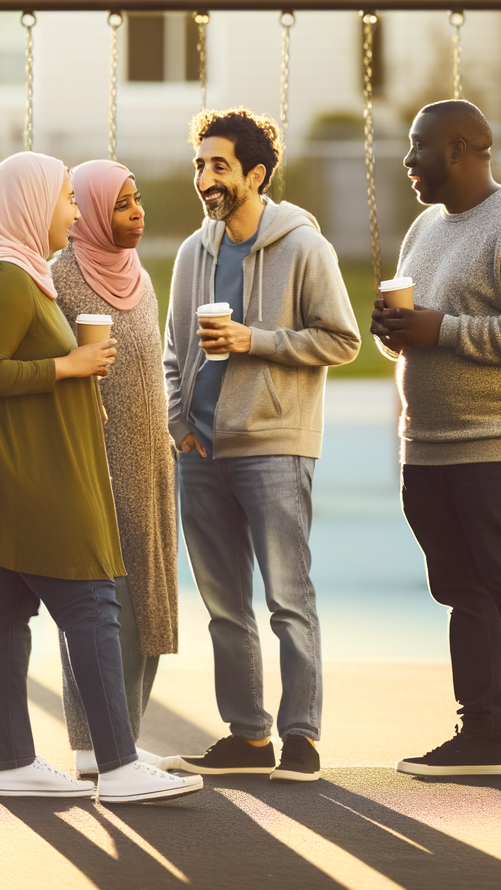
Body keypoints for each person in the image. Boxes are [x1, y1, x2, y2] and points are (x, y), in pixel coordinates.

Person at [0, 151, 201, 804]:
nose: (75, 211)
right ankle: (117, 766)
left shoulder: (14, 271)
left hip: (16, 475)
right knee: (93, 603)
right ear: (29, 205)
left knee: (6, 612)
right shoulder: (3, 276)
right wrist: (69, 368)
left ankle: (15, 763)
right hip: (33, 480)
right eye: (66, 199)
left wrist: (73, 371)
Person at [373, 100, 501, 784]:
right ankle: (484, 730)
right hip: (427, 444)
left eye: (420, 147)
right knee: (463, 591)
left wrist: (443, 331)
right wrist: (395, 332)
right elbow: (419, 330)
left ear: (463, 149)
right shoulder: (426, 227)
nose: (408, 161)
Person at [162, 108, 360, 782]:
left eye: (219, 166)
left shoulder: (305, 248)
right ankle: (248, 738)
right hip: (202, 453)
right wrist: (177, 425)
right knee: (224, 606)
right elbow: (171, 354)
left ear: (255, 173)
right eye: (199, 165)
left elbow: (341, 339)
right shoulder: (195, 253)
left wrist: (256, 340)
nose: (205, 178)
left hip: (275, 446)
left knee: (287, 600)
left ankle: (300, 737)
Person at [50, 160, 179, 778]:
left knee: (148, 598)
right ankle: (93, 742)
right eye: (123, 204)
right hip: (94, 458)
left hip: (150, 459)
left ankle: (122, 736)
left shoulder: (139, 277)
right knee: (101, 601)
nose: (137, 213)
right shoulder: (60, 276)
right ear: (96, 211)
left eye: (138, 199)